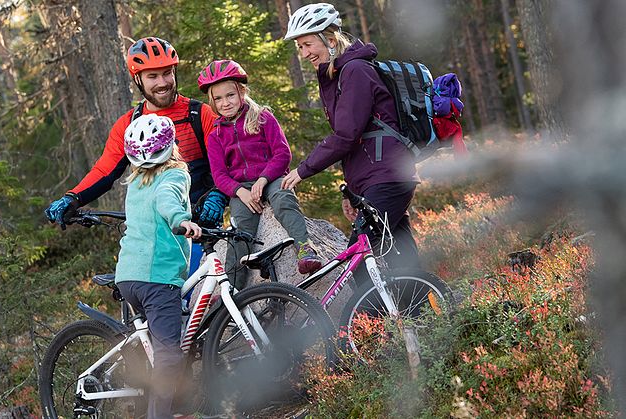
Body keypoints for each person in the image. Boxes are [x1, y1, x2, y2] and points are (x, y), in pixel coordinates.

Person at [44, 37, 227, 270]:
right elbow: (105, 171)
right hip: (151, 238)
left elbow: (229, 163)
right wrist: (72, 197)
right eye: (153, 76)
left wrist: (219, 195)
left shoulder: (200, 115)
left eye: (167, 73)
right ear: (137, 79)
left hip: (201, 229)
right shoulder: (129, 125)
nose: (162, 82)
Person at [281, 3, 421, 279]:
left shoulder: (355, 71)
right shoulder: (339, 74)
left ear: (330, 40)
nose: (304, 53)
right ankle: (421, 317)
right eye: (300, 47)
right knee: (401, 257)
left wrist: (303, 169)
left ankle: (371, 322)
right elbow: (359, 141)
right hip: (381, 178)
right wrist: (355, 194)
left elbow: (346, 136)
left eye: (308, 44)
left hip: (388, 177)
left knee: (359, 262)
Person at [197, 59, 323, 290]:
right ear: (212, 102)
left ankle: (305, 248)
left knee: (283, 199)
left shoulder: (262, 117)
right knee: (240, 234)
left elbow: (282, 154)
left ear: (241, 92)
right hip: (241, 187)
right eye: (218, 98)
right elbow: (219, 175)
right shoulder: (215, 135)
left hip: (272, 177)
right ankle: (231, 288)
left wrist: (265, 178)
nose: (225, 103)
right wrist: (240, 192)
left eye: (230, 95)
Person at [115, 113, 202, 419]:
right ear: (171, 146)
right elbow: (168, 201)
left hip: (128, 277)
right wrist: (183, 221)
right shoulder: (175, 175)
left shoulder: (136, 180)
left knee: (159, 343)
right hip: (157, 277)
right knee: (169, 356)